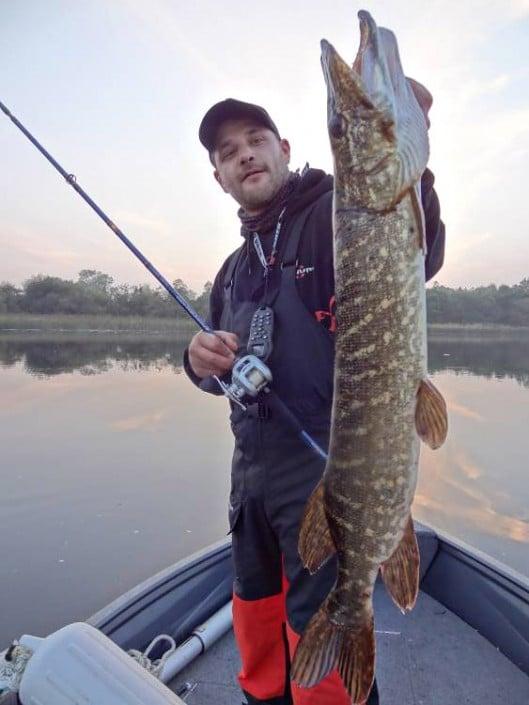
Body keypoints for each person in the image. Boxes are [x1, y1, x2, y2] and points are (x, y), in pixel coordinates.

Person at [184, 98, 445, 705]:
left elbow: (416, 245)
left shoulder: (337, 216)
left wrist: (412, 154)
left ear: (284, 149)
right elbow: (223, 370)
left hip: (330, 469)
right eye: (227, 152)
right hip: (251, 478)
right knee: (257, 621)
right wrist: (199, 360)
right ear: (219, 177)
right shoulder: (231, 271)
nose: (244, 152)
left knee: (318, 632)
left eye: (256, 138)